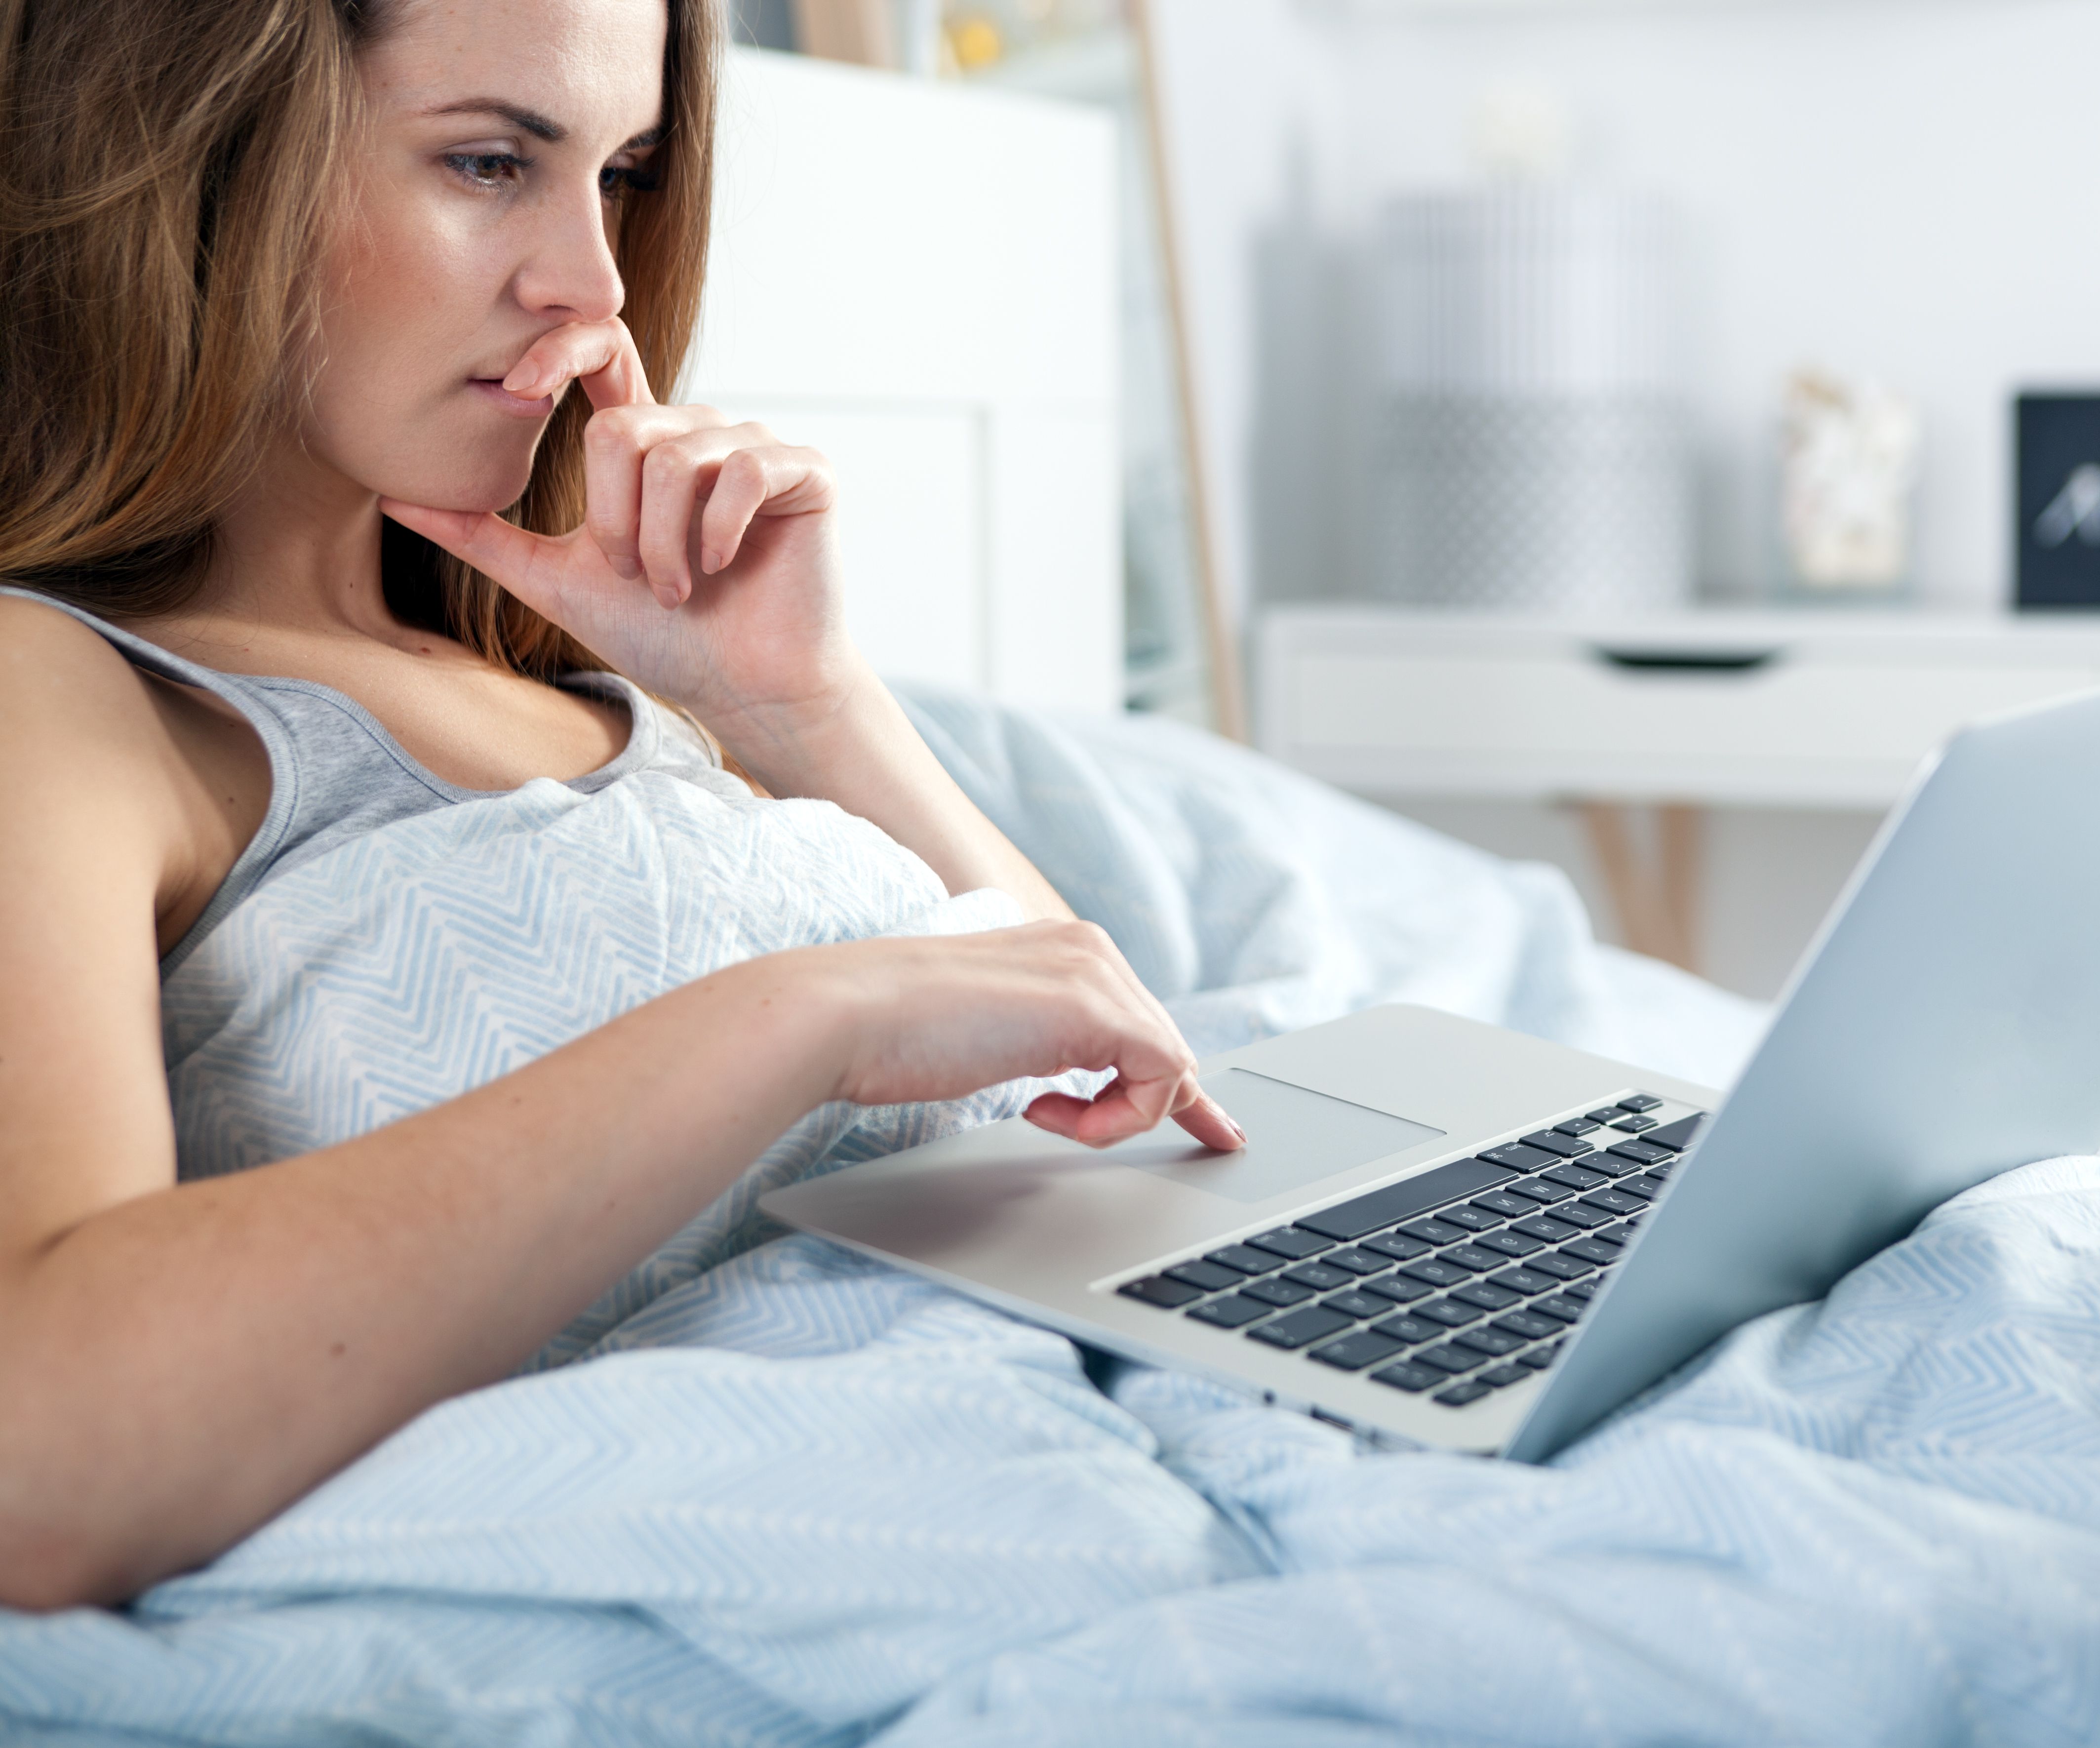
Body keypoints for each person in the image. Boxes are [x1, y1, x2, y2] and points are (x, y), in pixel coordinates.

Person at [0, 0, 1242, 1611]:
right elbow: (43, 1457)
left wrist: (801, 706)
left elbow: (1110, 1047)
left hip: (1144, 1414)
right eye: (489, 160)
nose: (589, 284)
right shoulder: (73, 698)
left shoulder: (611, 690)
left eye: (625, 171)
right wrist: (804, 1016)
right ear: (198, 167)